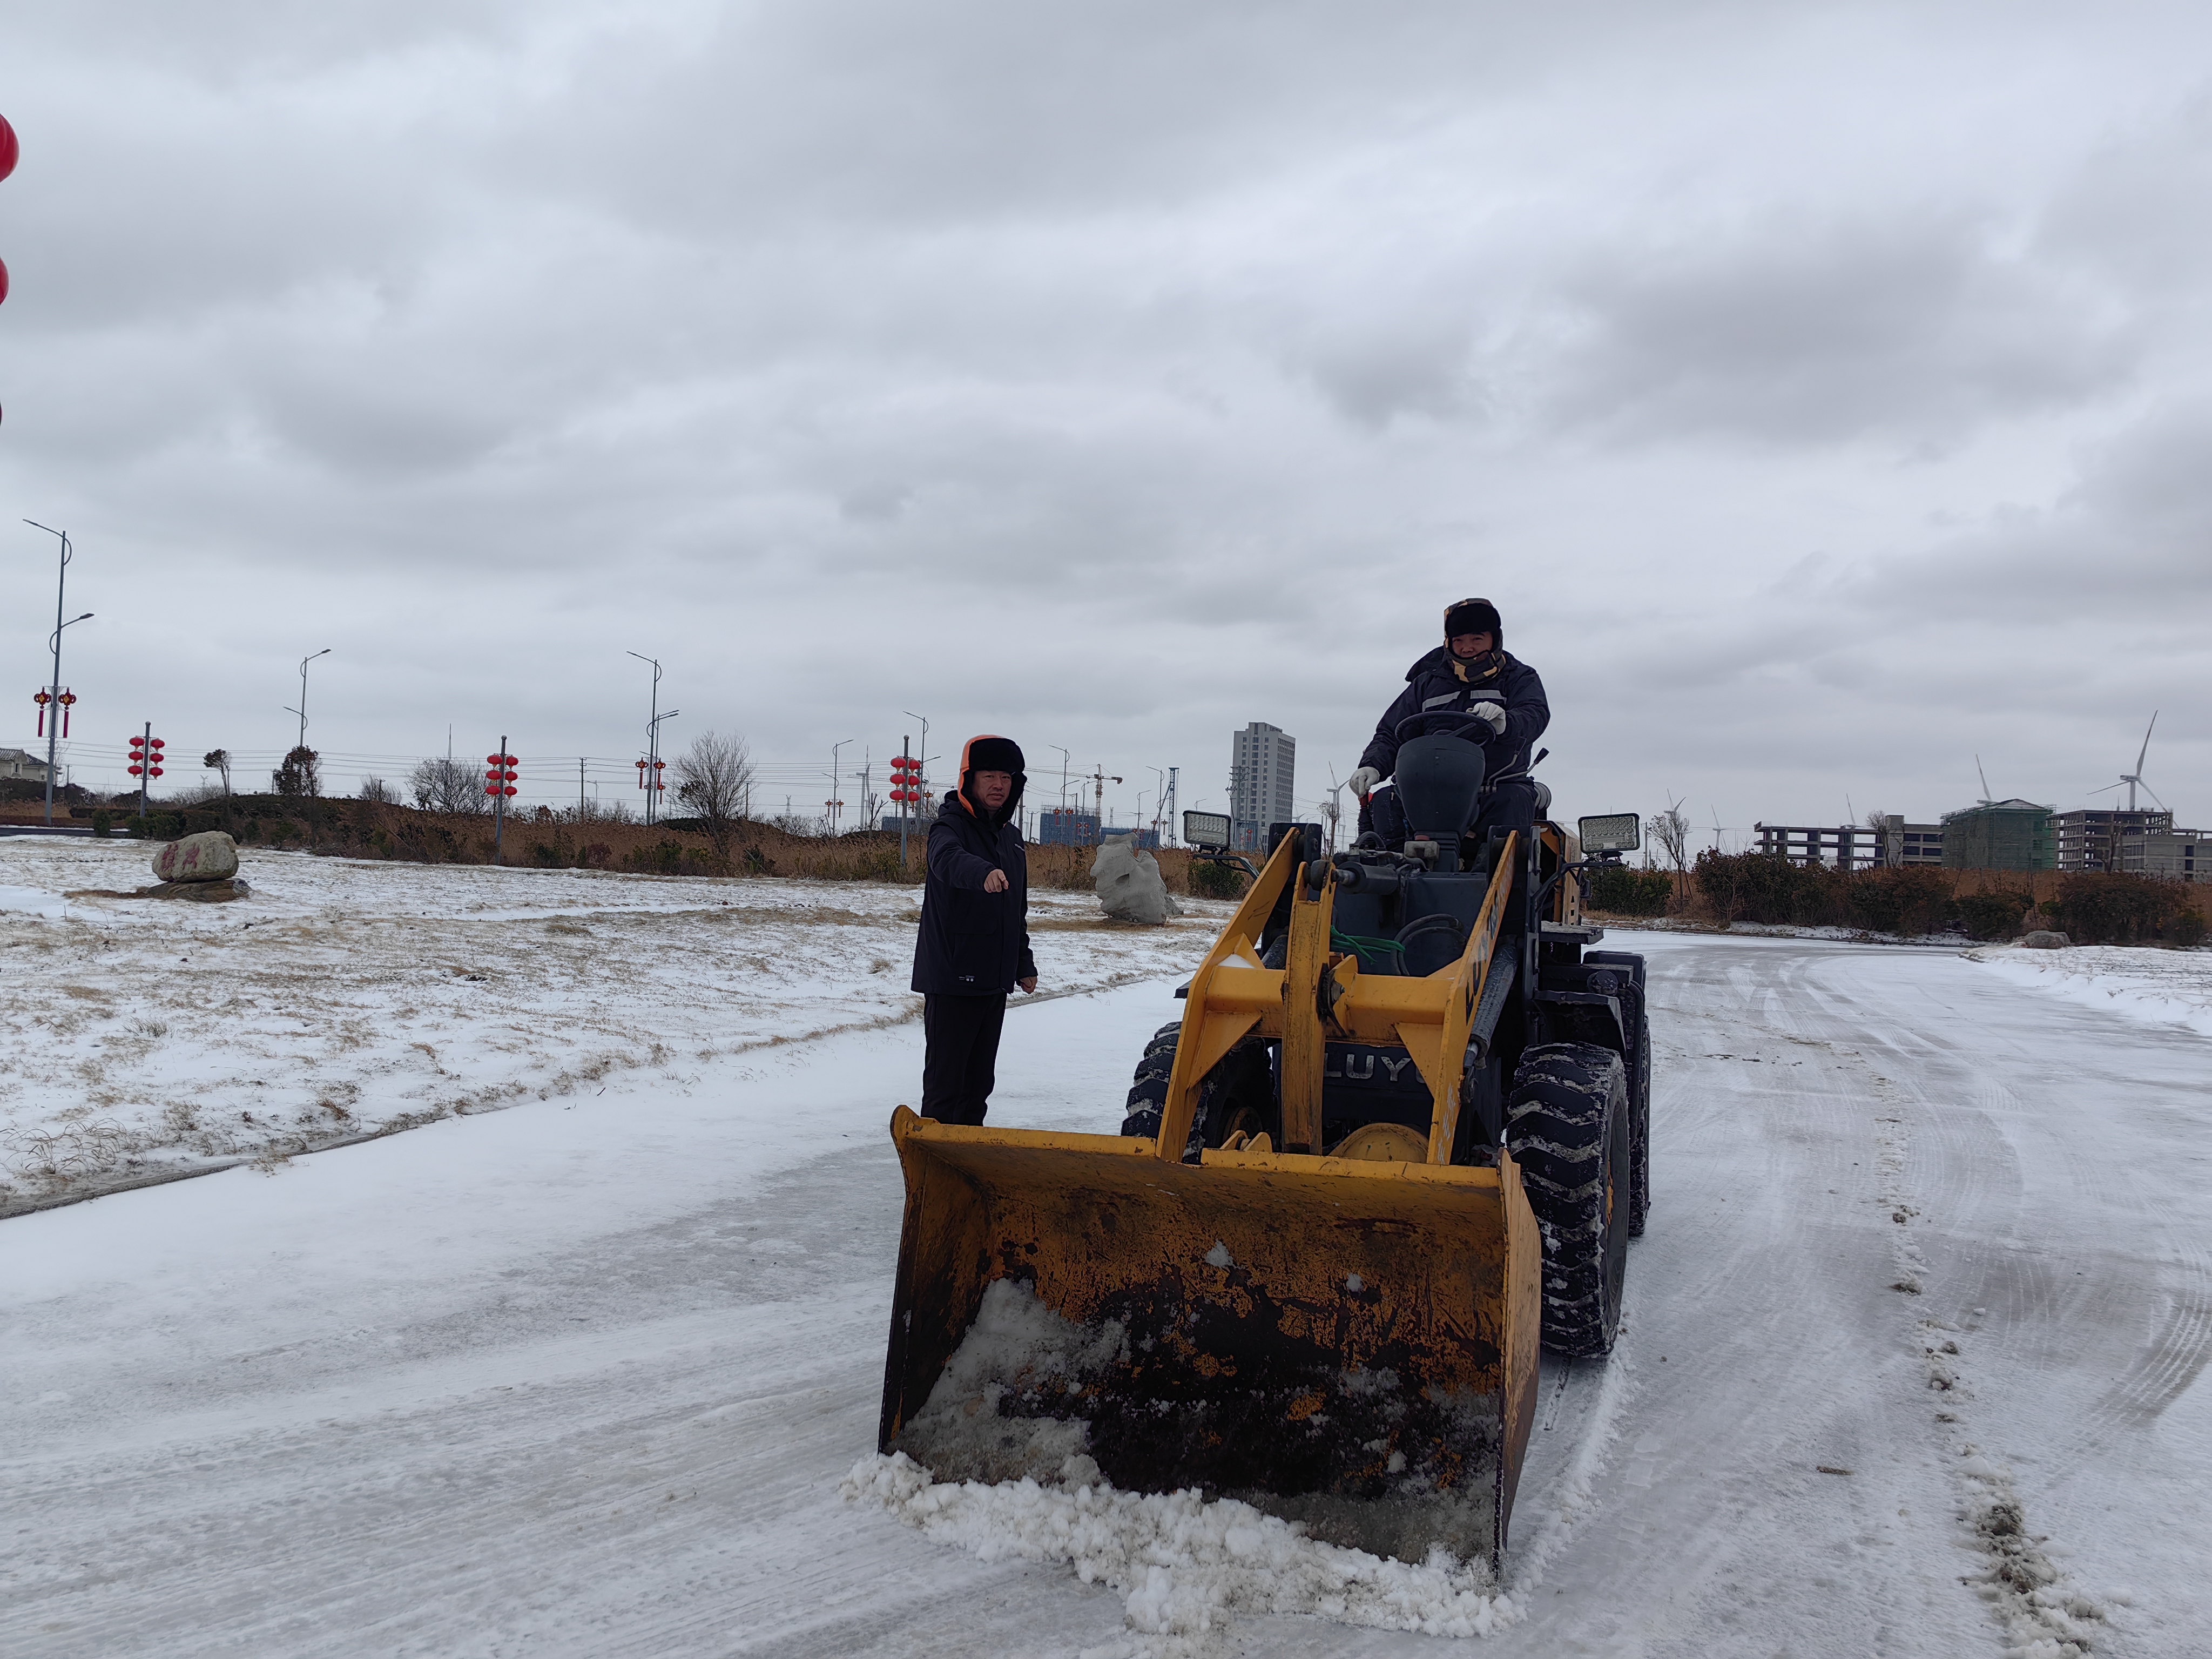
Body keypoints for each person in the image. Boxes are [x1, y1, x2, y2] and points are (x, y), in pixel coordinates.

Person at [1347, 597, 1550, 866]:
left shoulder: (1519, 677)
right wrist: (1372, 765)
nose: (1467, 647)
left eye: (1477, 639)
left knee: (1513, 800)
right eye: (1459, 640)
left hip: (1494, 785)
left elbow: (1535, 713)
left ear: (1494, 639)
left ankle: (1498, 882)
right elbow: (1391, 732)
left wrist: (1507, 722)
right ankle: (1393, 871)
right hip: (1428, 787)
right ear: (1448, 642)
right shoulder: (1426, 683)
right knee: (1386, 800)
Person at [911, 734, 1039, 1124]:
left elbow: (1016, 912)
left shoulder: (1012, 840)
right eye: (989, 777)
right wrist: (982, 872)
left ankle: (967, 1156)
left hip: (993, 981)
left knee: (979, 1087)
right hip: (953, 979)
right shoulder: (948, 827)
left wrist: (1023, 963)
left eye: (1006, 777)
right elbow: (947, 860)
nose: (999, 785)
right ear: (969, 779)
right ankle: (933, 1160)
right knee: (946, 1088)